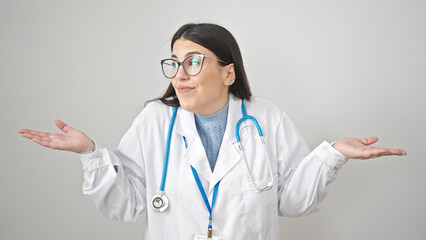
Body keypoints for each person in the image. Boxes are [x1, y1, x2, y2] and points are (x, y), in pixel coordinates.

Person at [18, 23, 406, 240]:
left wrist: (332, 153)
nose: (180, 75)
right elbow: (127, 203)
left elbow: (291, 201)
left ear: (228, 72)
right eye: (174, 63)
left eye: (193, 62)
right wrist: (90, 153)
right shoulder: (155, 121)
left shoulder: (266, 119)